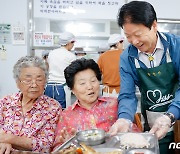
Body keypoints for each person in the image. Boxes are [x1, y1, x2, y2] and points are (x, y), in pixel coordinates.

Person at [109, 1, 180, 154]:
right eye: (128, 36)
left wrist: (170, 115)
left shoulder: (176, 47)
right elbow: (127, 95)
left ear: (154, 25)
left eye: (138, 34)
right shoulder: (127, 57)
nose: (134, 41)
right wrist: (124, 118)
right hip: (155, 124)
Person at [53, 58, 140, 150]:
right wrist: (68, 144)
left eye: (93, 81)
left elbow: (135, 134)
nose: (90, 87)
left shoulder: (115, 104)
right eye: (82, 83)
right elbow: (58, 147)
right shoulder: (66, 115)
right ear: (72, 90)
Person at [0, 56, 62, 153]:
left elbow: (46, 145)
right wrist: (3, 143)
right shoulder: (5, 102)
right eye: (28, 80)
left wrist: (8, 138)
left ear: (45, 81)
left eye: (39, 80)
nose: (34, 85)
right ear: (18, 83)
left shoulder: (53, 108)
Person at [44, 32, 76, 108]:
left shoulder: (51, 53)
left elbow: (48, 67)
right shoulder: (71, 56)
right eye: (73, 43)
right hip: (62, 88)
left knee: (48, 111)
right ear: (69, 42)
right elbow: (74, 73)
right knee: (62, 111)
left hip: (49, 87)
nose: (73, 45)